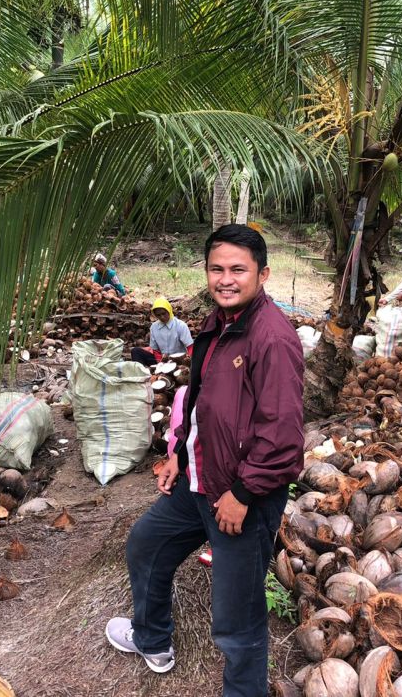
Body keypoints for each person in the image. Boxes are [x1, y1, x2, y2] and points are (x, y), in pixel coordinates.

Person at [106, 224, 304, 697]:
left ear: (263, 274)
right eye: (217, 269)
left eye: (238, 269)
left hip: (238, 497)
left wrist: (244, 494)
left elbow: (282, 438)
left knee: (237, 618)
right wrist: (176, 452)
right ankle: (152, 639)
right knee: (146, 546)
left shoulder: (271, 338)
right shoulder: (218, 323)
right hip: (196, 479)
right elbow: (197, 402)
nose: (226, 278)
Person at [130, 297, 194, 366]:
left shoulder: (180, 325)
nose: (162, 317)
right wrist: (160, 363)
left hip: (179, 361)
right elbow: (155, 350)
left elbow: (190, 346)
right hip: (161, 360)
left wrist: (188, 360)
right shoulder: (154, 327)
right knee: (135, 351)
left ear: (169, 310)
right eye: (158, 315)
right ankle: (141, 374)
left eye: (164, 313)